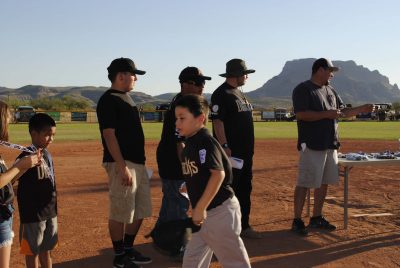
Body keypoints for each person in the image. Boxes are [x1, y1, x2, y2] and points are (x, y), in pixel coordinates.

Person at [291, 58, 374, 236]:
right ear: (320, 70)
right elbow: (301, 114)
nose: (332, 75)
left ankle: (316, 217)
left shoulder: (330, 90)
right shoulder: (303, 89)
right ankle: (297, 220)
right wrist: (326, 114)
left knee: (323, 182)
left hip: (330, 144)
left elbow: (341, 112)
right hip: (312, 144)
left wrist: (361, 109)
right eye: (330, 71)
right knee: (305, 182)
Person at [175, 94, 251, 268]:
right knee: (192, 261)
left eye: (182, 118)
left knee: (234, 261)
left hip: (220, 212)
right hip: (202, 214)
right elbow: (201, 176)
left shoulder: (205, 142)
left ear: (200, 118)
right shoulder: (189, 146)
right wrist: (190, 190)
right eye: (176, 119)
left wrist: (200, 207)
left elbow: (218, 174)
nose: (177, 123)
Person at [96, 57, 152, 268]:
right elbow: (109, 135)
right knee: (121, 210)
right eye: (133, 74)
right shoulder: (109, 100)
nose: (136, 78)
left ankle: (128, 249)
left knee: (140, 210)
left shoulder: (127, 98)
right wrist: (122, 166)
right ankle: (119, 255)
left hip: (137, 162)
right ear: (121, 76)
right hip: (122, 163)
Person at [154, 67, 211, 258]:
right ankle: (175, 246)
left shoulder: (183, 101)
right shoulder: (183, 106)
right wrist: (187, 168)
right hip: (175, 162)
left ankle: (162, 237)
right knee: (178, 203)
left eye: (203, 82)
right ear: (185, 84)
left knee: (172, 200)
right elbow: (181, 143)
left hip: (172, 160)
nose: (203, 86)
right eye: (198, 83)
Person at [210, 58, 260, 238]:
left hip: (246, 153)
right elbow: (217, 121)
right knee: (229, 190)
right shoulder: (221, 94)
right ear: (237, 74)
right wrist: (224, 146)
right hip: (231, 153)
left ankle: (243, 226)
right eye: (245, 73)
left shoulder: (239, 93)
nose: (247, 76)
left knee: (245, 188)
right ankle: (224, 230)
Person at [0, 101, 41, 268]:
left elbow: (5, 181)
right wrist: (20, 165)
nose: (10, 119)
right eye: (8, 116)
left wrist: (25, 168)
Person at [16, 113, 58, 268]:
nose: (51, 139)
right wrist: (24, 165)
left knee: (47, 251)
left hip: (50, 212)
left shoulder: (47, 154)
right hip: (32, 216)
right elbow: (12, 179)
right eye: (47, 135)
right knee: (32, 252)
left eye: (53, 135)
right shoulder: (25, 157)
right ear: (34, 134)